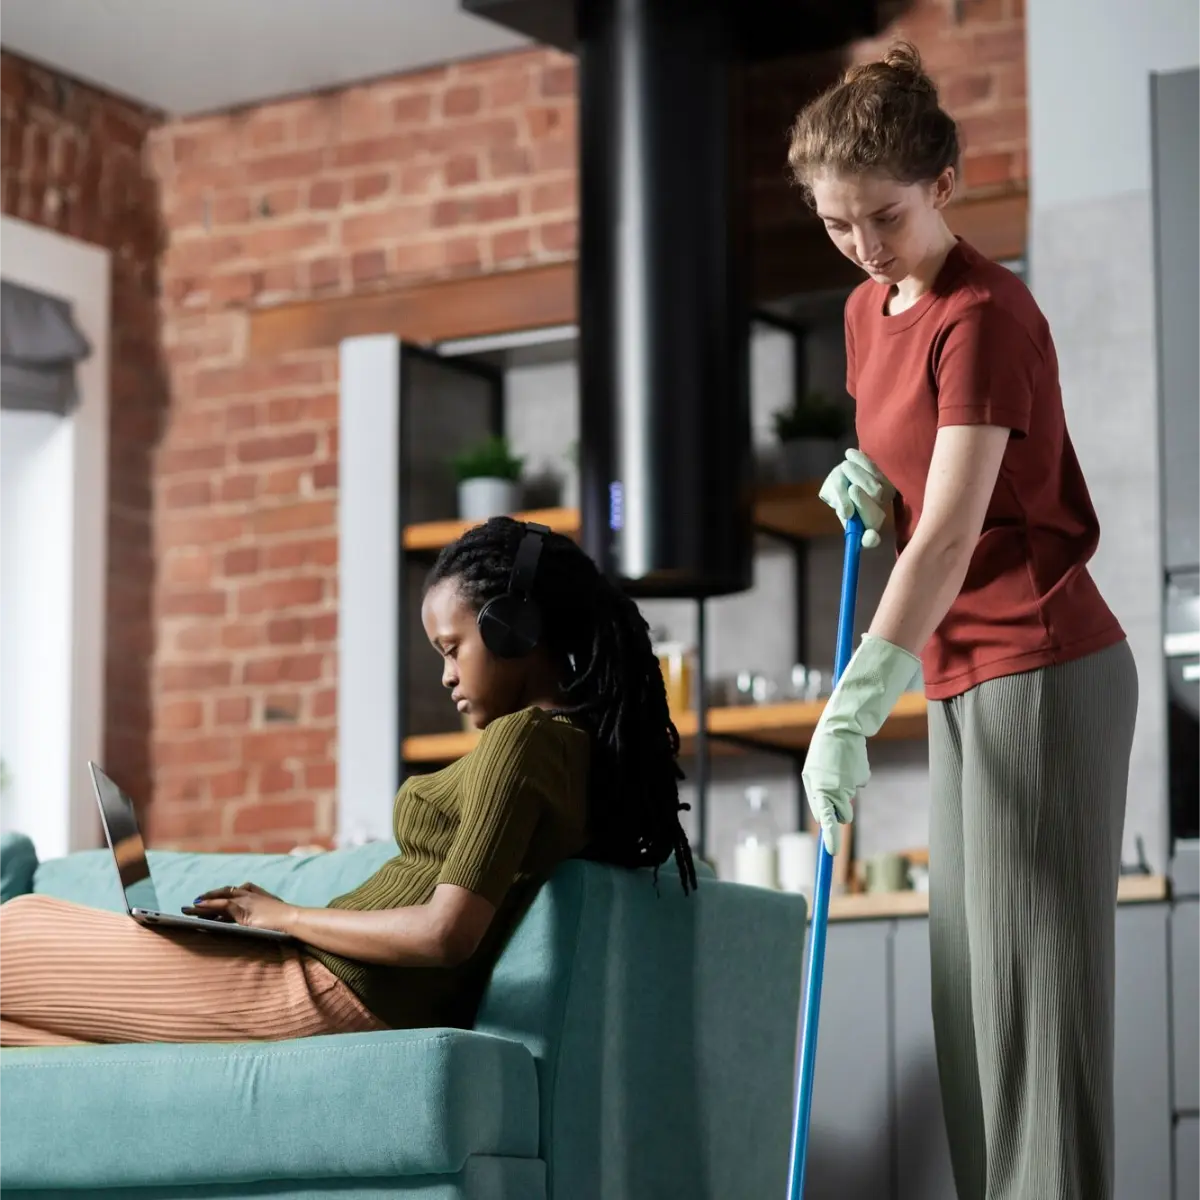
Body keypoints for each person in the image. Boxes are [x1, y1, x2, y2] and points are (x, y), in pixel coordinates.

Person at [788, 42, 1136, 1200]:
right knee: (967, 997)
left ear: (941, 184)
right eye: (838, 224)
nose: (865, 247)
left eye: (882, 217)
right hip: (957, 673)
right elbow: (914, 497)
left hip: (1043, 663)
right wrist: (867, 488)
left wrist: (855, 698)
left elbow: (949, 535)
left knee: (1035, 1015)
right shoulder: (862, 308)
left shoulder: (984, 314)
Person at [0, 517, 695, 1046]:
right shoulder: (566, 751)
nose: (447, 675)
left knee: (18, 925)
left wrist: (284, 917)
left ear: (514, 629)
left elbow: (445, 934)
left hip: (327, 989)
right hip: (331, 980)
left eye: (453, 649)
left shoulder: (526, 739)